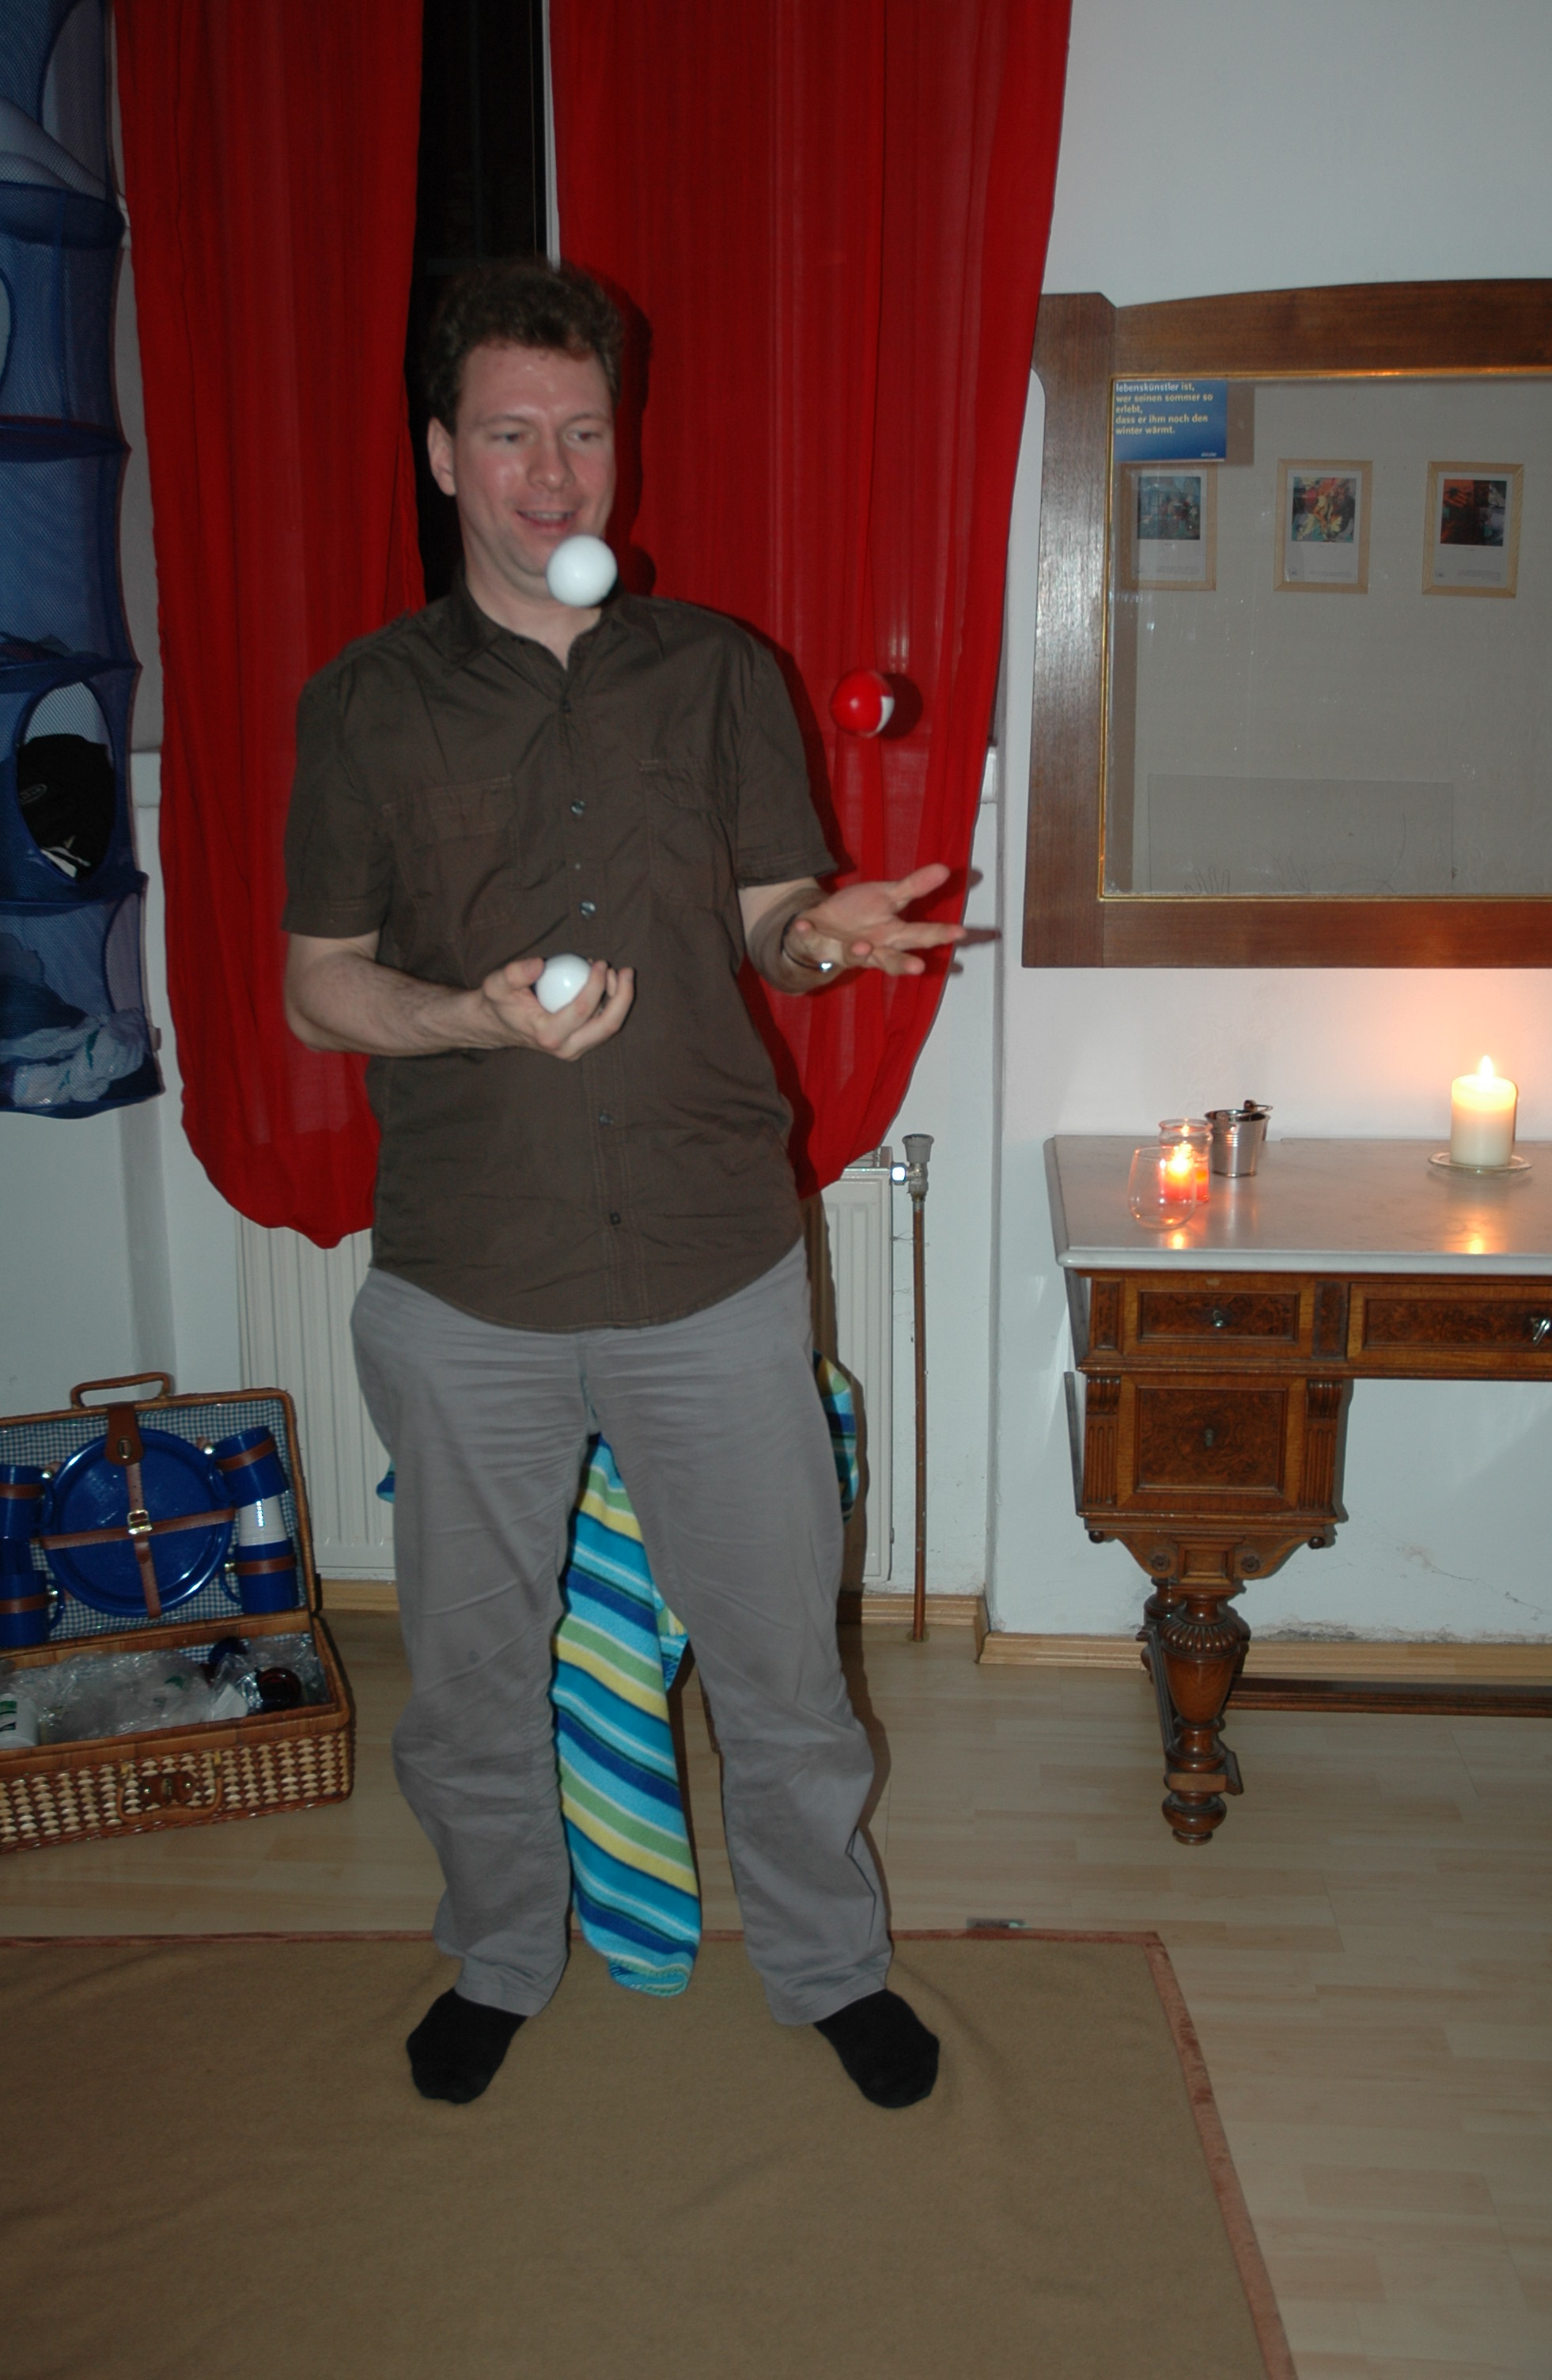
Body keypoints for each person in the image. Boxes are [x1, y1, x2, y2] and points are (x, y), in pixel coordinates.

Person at [282, 258, 963, 2110]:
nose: (551, 474)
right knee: (470, 1674)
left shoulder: (717, 670)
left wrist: (820, 937)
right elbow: (320, 982)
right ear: (443, 453)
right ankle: (502, 1951)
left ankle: (828, 1964)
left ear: (616, 445)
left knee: (781, 1664)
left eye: (581, 432)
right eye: (509, 434)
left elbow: (771, 922)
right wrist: (468, 1016)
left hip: (708, 1259)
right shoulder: (365, 704)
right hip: (467, 1277)